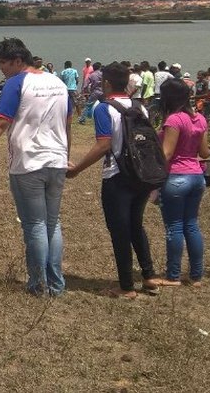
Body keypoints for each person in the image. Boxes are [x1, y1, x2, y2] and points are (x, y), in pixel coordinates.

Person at [0, 38, 70, 297]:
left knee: (35, 224)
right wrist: (65, 153)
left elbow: (0, 123)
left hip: (29, 163)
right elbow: (67, 121)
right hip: (57, 161)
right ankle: (56, 285)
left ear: (17, 61)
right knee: (52, 223)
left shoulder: (16, 83)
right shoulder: (57, 82)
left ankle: (37, 284)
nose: (0, 67)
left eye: (2, 62)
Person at [66, 62, 162, 299]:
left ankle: (126, 286)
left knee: (119, 230)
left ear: (106, 83)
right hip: (141, 175)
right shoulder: (141, 107)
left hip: (117, 176)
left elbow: (104, 144)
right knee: (136, 225)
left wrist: (77, 169)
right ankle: (149, 277)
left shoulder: (103, 108)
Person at [155, 78, 210, 286]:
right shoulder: (200, 119)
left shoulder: (174, 120)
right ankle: (196, 275)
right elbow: (204, 152)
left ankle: (173, 275)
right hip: (197, 176)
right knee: (192, 225)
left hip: (177, 177)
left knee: (174, 227)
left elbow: (167, 153)